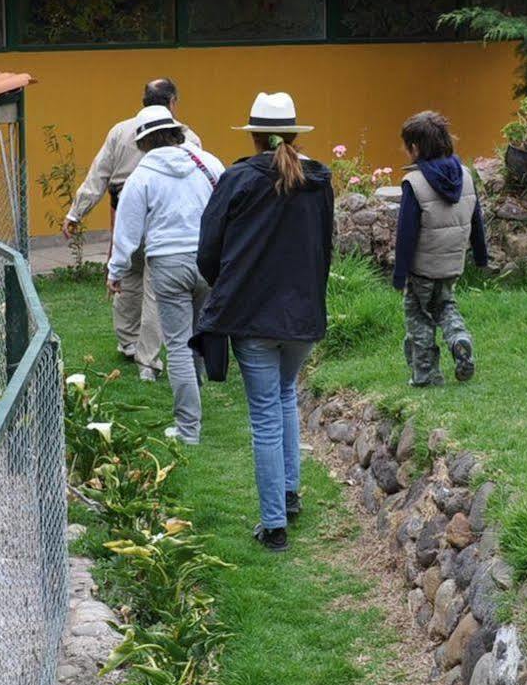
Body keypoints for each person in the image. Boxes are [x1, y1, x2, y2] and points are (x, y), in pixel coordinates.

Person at [196, 92, 334, 552]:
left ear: (253, 134)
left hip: (254, 316)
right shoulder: (318, 181)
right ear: (295, 133)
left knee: (265, 417)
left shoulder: (236, 179)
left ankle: (274, 523)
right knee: (285, 397)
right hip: (302, 315)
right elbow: (324, 249)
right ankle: (288, 495)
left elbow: (208, 253)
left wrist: (229, 285)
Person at [64, 79, 201, 377]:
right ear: (173, 102)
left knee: (127, 275)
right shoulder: (188, 137)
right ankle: (146, 358)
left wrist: (76, 213)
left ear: (143, 101)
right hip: (164, 217)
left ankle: (128, 342)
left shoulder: (119, 130)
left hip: (124, 209)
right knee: (153, 289)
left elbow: (98, 175)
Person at [108, 105, 220, 443]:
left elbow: (127, 230)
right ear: (175, 131)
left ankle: (188, 429)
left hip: (168, 264)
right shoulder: (209, 163)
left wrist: (116, 271)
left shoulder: (141, 176)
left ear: (143, 142)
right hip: (208, 261)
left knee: (180, 344)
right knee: (199, 333)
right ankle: (195, 394)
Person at [393, 110, 490, 387]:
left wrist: (400, 274)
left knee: (419, 317)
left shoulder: (414, 183)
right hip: (452, 265)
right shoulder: (466, 176)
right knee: (445, 305)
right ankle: (459, 339)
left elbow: (406, 234)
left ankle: (426, 374)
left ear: (415, 148)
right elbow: (477, 222)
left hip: (422, 269)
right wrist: (481, 257)